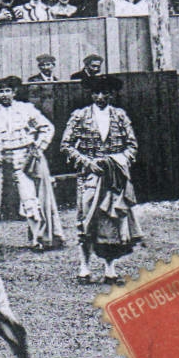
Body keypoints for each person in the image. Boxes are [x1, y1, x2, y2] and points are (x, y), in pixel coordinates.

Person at [60, 75, 141, 283]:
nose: (100, 97)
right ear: (91, 94)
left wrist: (118, 160)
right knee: (86, 218)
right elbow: (66, 145)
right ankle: (84, 268)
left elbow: (132, 145)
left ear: (112, 94)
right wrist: (88, 162)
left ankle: (109, 269)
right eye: (96, 92)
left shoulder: (120, 116)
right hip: (90, 175)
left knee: (112, 219)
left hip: (114, 176)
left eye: (105, 92)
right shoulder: (80, 115)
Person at [0, 75, 56, 249]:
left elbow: (47, 128)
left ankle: (36, 238)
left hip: (23, 160)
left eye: (8, 91)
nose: (5, 94)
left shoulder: (26, 109)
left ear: (14, 92)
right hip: (0, 160)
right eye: (1, 91)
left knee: (29, 197)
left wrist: (37, 147)